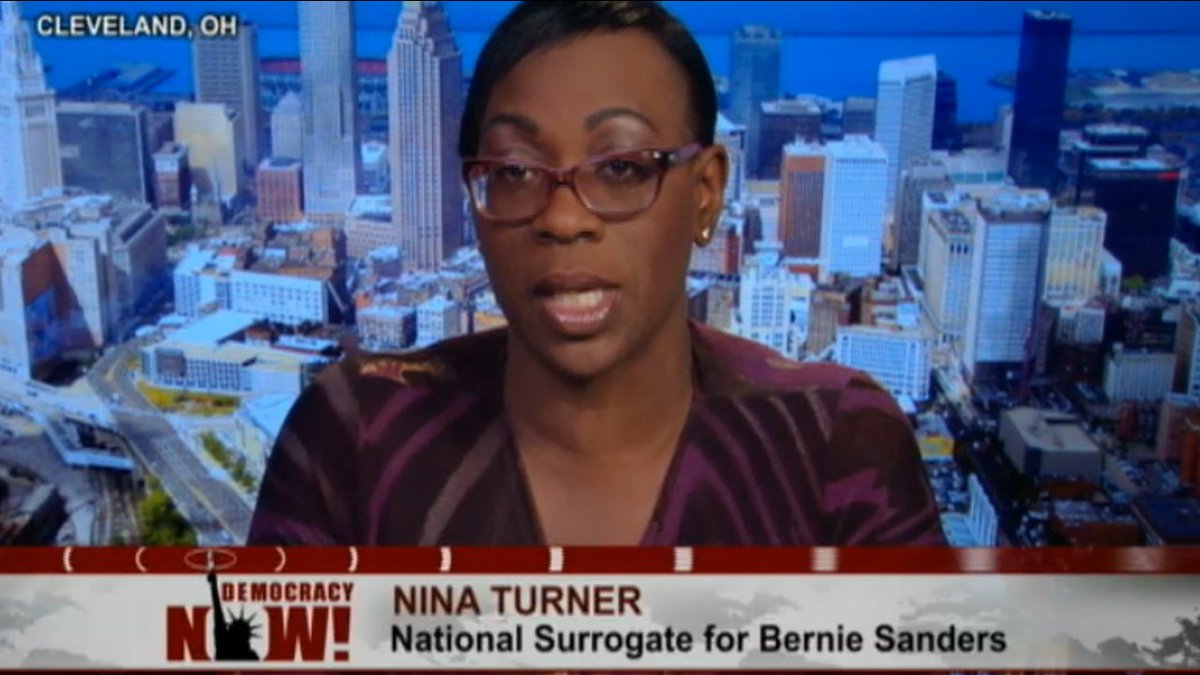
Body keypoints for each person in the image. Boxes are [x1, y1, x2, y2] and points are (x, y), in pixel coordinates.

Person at [247, 0, 945, 547]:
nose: (563, 218)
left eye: (621, 168)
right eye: (515, 172)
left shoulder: (832, 442)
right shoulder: (358, 435)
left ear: (706, 193)